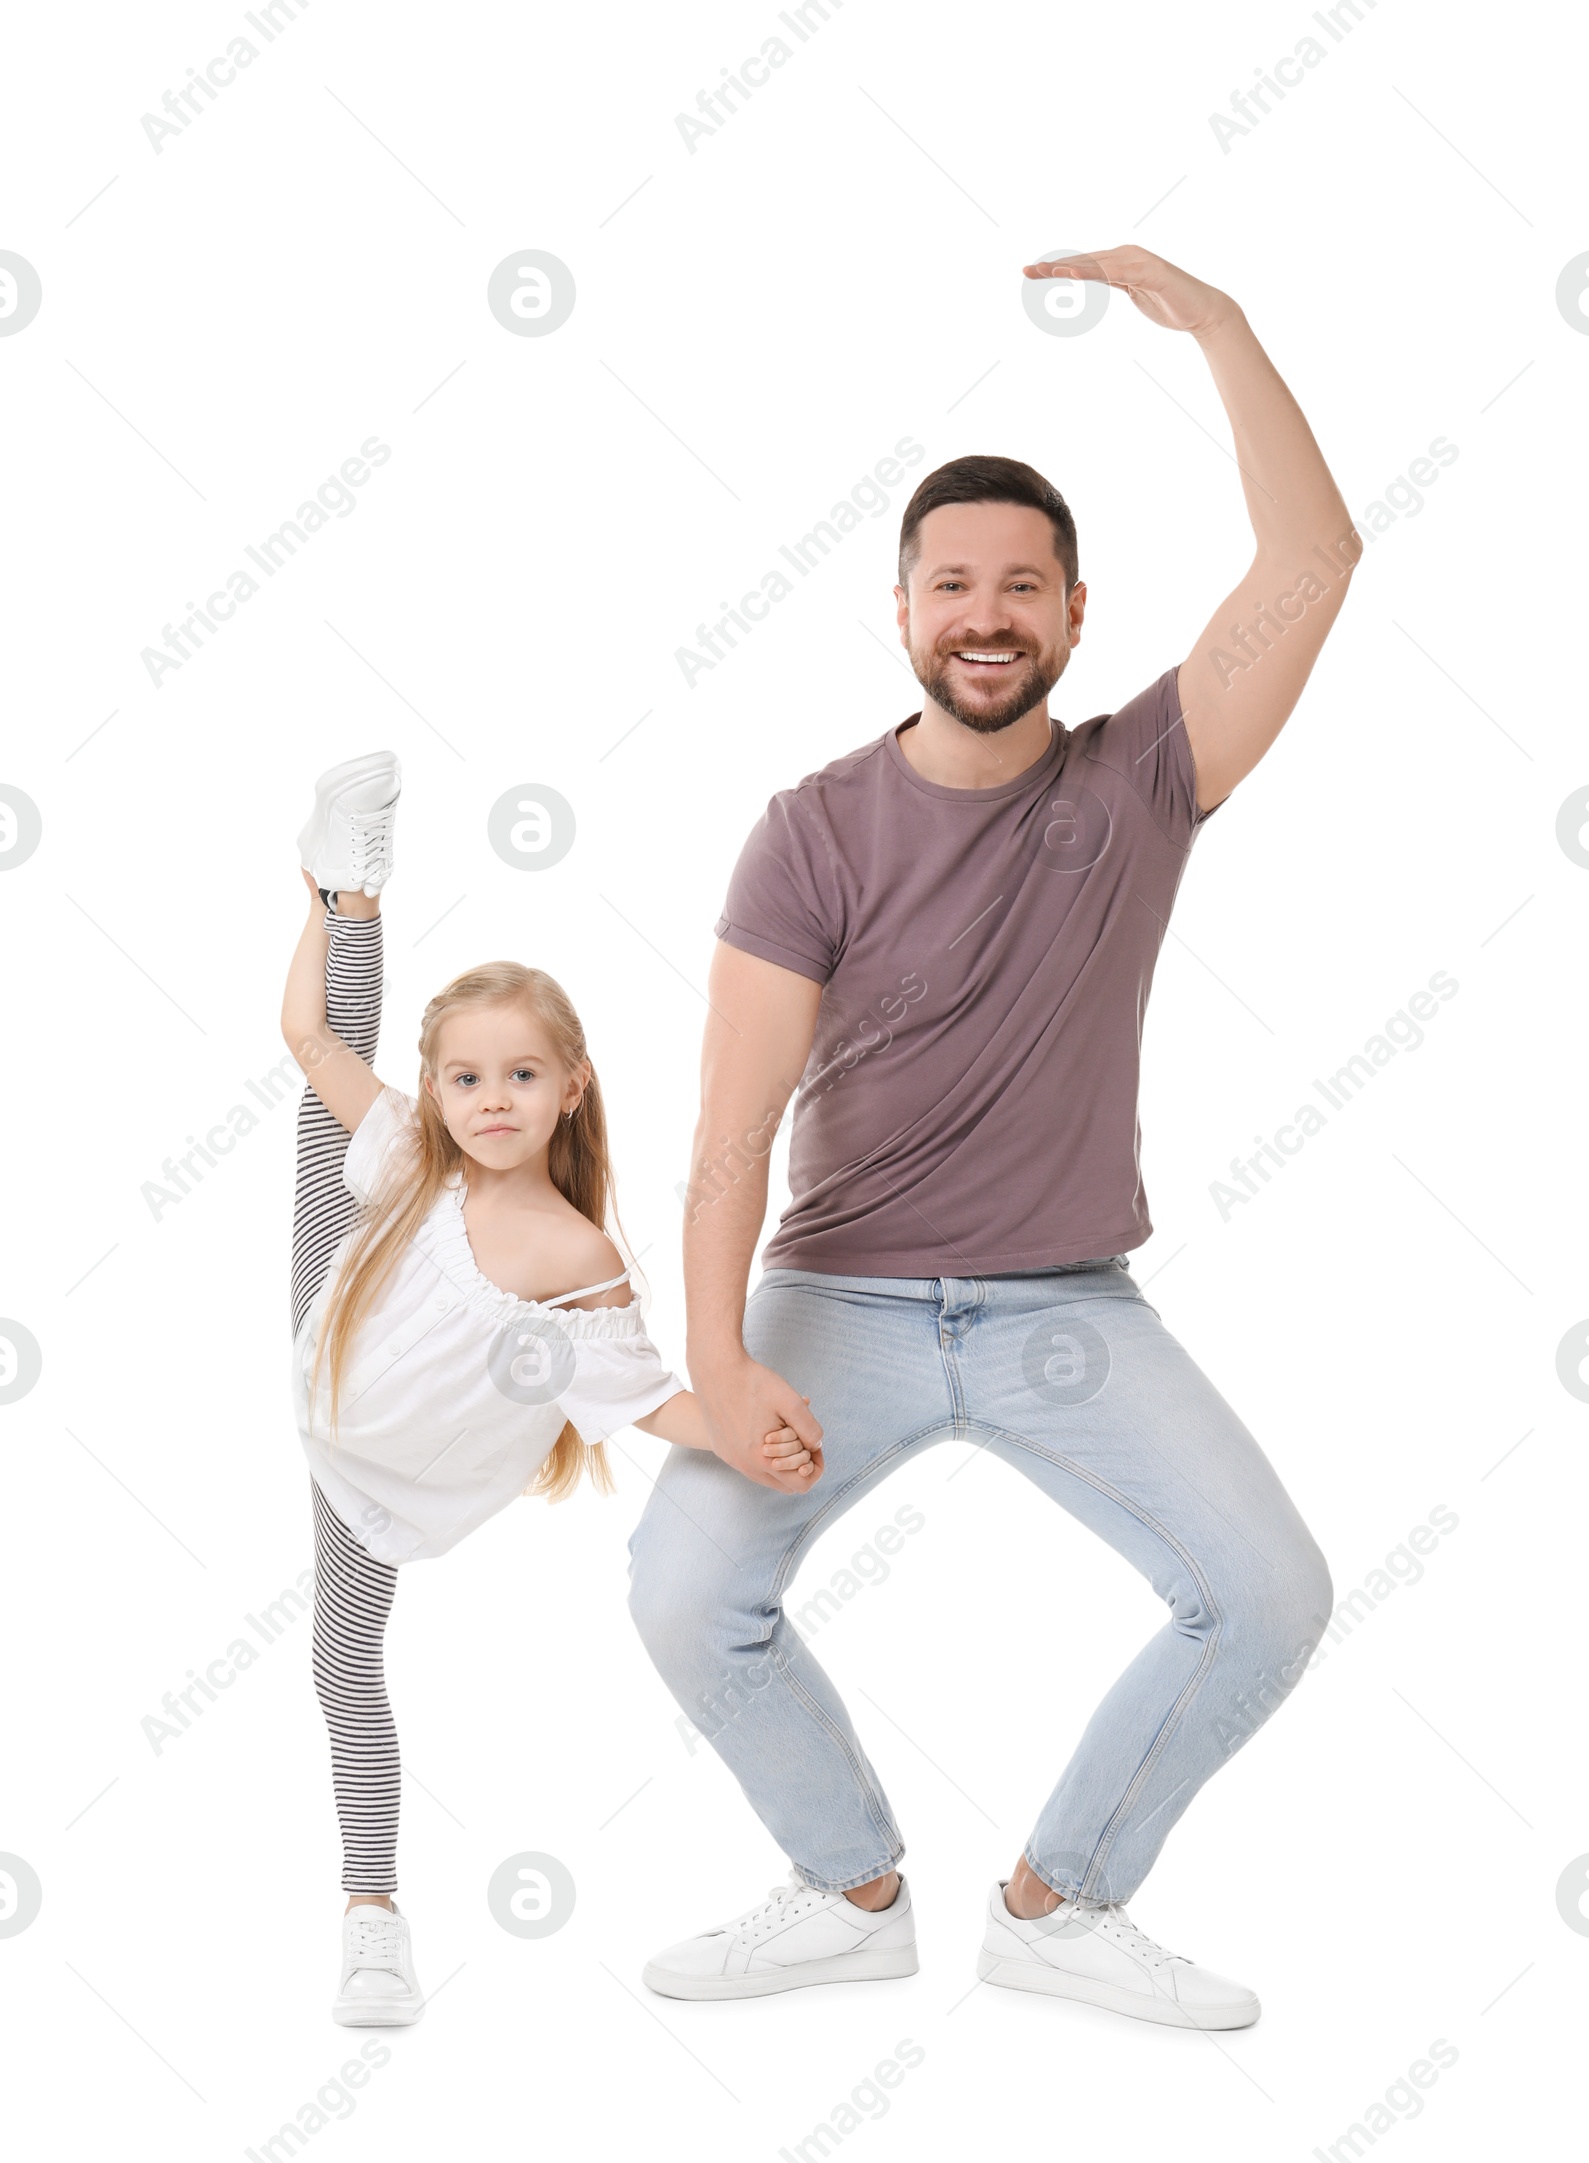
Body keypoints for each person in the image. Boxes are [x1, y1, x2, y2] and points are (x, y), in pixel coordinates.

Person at [627, 246, 1357, 2030]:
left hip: (1065, 1311)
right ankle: (850, 1887)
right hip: (841, 1302)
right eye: (951, 582)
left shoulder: (1140, 782)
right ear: (900, 615)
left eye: (1020, 585)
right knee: (680, 1598)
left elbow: (1315, 564)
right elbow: (732, 1129)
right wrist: (717, 1362)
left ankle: (1058, 1901)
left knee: (1268, 1598)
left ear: (1073, 614)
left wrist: (1228, 331)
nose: (985, 611)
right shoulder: (809, 831)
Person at [282, 751, 810, 2026]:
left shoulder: (576, 1260)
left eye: (519, 1075)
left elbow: (642, 1401)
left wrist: (748, 1436)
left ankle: (369, 1920)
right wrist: (314, 913)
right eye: (465, 1077)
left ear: (570, 1083)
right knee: (324, 1091)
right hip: (326, 1309)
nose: (490, 1101)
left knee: (344, 1661)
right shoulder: (415, 1149)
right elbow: (304, 1033)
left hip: (378, 1464)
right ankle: (348, 888)